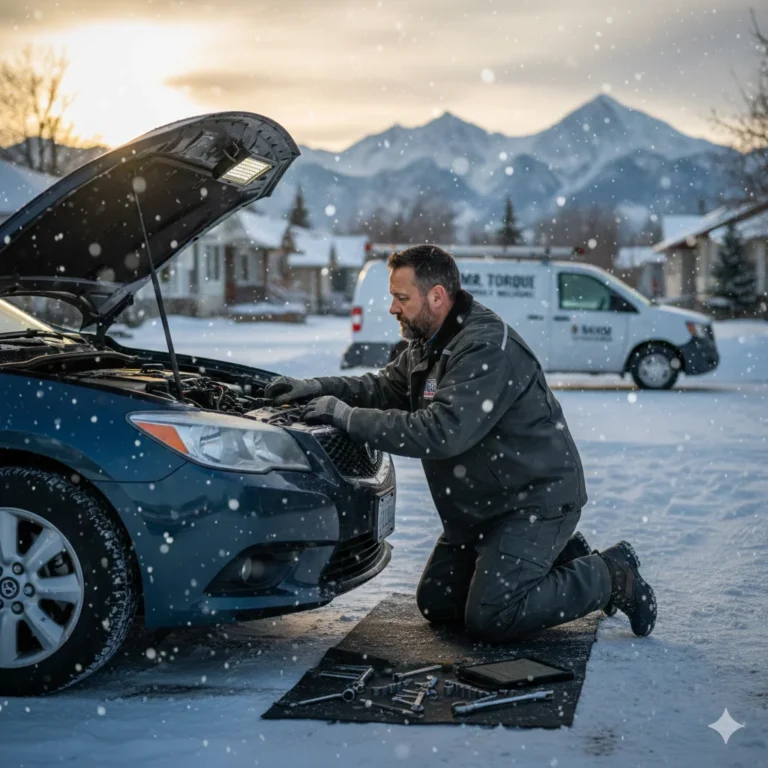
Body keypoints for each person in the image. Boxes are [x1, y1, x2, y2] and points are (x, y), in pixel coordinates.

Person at [265, 245, 656, 641]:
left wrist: (345, 417)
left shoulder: (484, 347)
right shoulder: (431, 339)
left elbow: (441, 432)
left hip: (533, 500)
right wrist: (318, 387)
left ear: (436, 296)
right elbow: (384, 387)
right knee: (439, 603)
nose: (393, 309)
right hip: (481, 507)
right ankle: (562, 557)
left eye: (402, 298)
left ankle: (610, 574)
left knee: (493, 616)